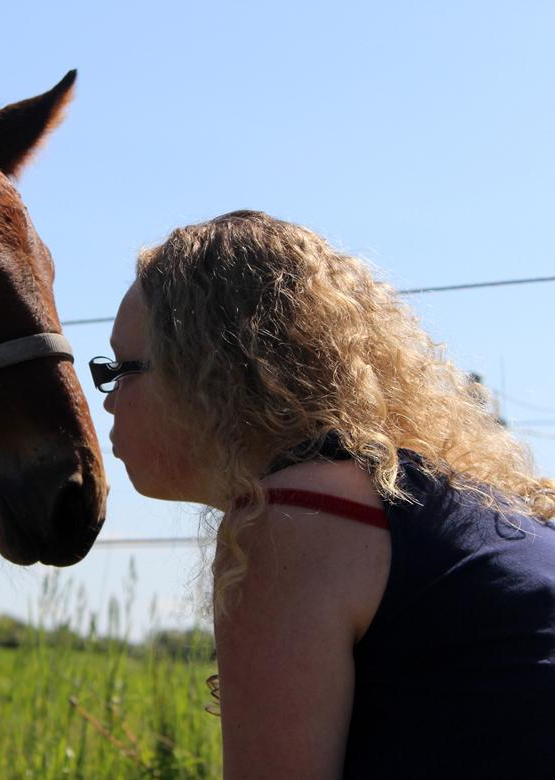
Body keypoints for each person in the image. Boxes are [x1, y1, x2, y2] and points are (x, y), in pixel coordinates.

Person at [92, 210, 555, 778]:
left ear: (207, 372)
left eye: (121, 369)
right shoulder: (466, 505)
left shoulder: (293, 520)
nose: (108, 400)